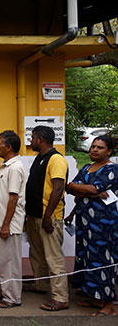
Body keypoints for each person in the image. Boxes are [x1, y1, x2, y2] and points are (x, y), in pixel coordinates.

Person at [65, 134, 118, 316]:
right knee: (86, 257)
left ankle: (108, 304)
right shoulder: (87, 167)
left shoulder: (112, 169)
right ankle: (94, 297)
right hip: (84, 221)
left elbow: (91, 188)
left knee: (103, 259)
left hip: (103, 223)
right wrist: (92, 193)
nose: (94, 149)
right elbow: (69, 187)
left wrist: (89, 190)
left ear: (109, 151)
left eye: (100, 147)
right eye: (93, 146)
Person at [24, 125, 69, 311]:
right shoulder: (39, 158)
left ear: (40, 139)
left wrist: (48, 216)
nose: (31, 141)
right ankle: (40, 284)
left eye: (33, 137)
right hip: (34, 215)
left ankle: (61, 297)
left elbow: (58, 188)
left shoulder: (56, 159)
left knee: (53, 257)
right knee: (36, 253)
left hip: (48, 217)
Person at [0, 131, 26, 309]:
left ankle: (12, 297)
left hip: (7, 224)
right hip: (1, 222)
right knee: (4, 260)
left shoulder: (15, 168)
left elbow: (13, 198)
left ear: (8, 147)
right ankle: (6, 290)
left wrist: (6, 224)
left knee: (10, 261)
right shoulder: (6, 165)